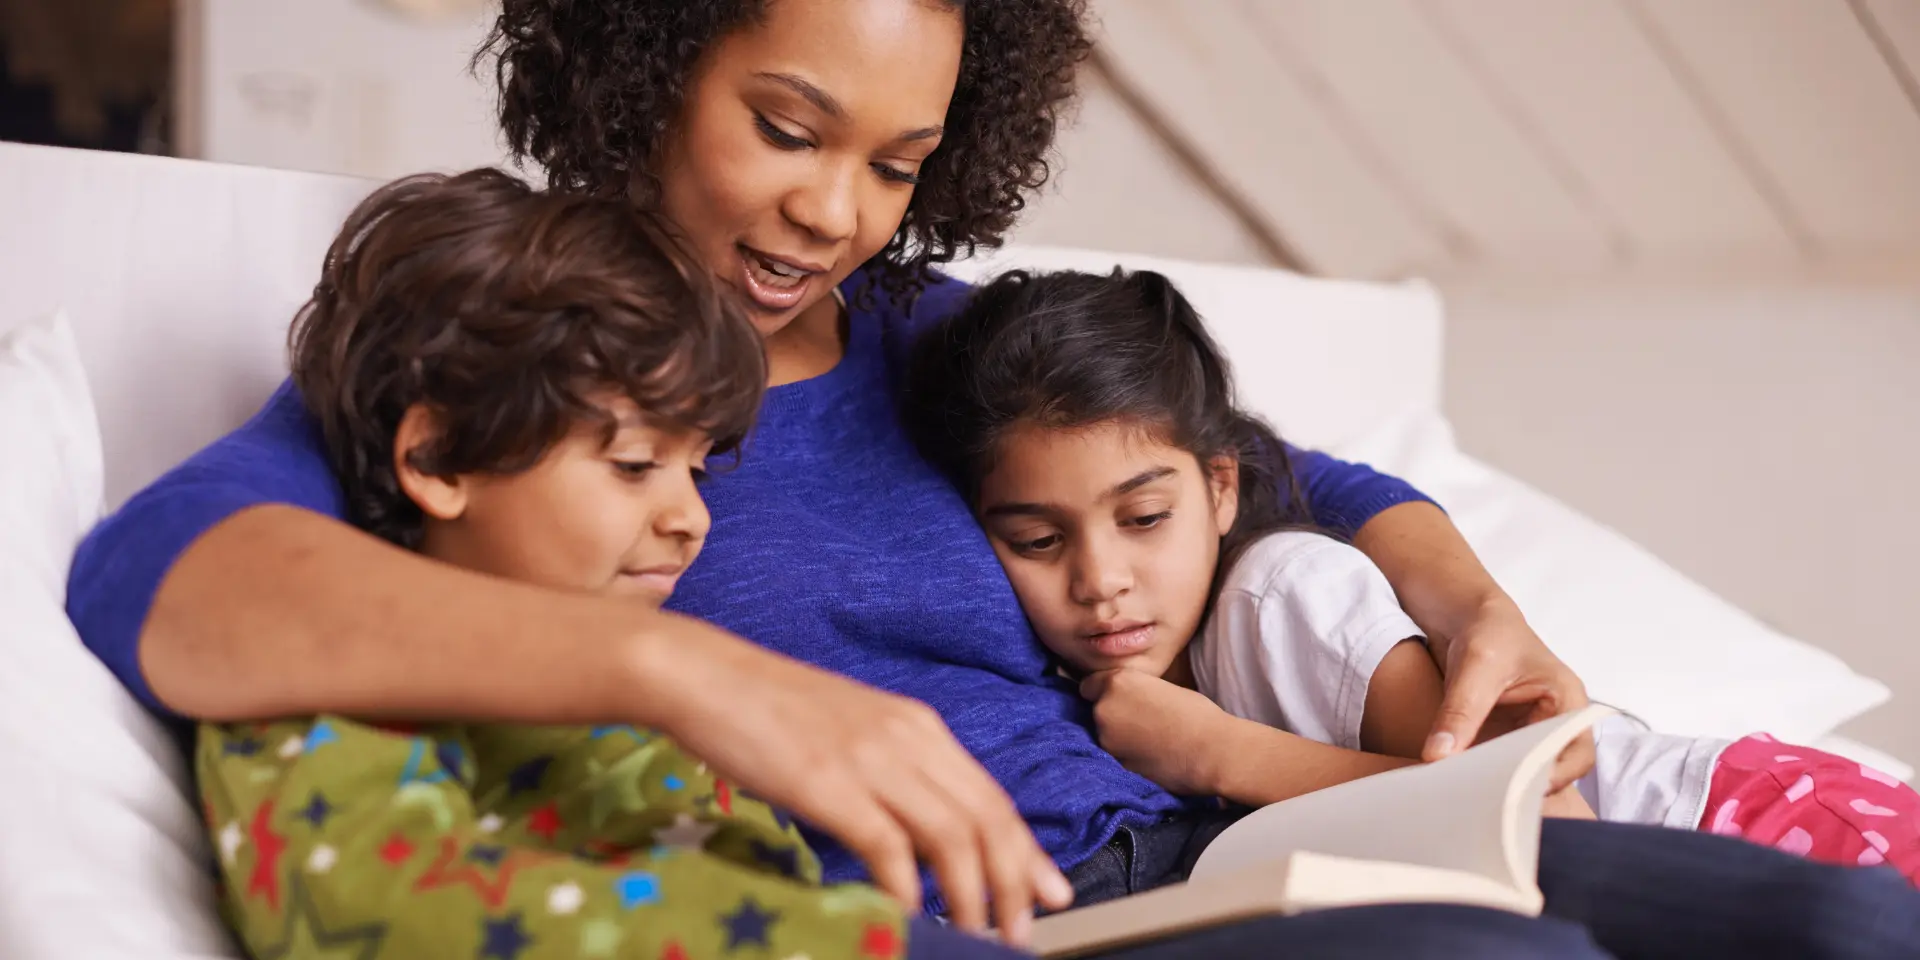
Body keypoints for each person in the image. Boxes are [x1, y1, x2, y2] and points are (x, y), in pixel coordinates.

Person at [62, 1, 1901, 957]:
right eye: (786, 131)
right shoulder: (513, 356)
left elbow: (1296, 472)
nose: (834, 214)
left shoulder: (925, 338)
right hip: (993, 924)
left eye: (894, 164)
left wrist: (1465, 599)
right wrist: (686, 670)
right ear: (638, 65)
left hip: (1210, 840)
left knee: (1837, 920)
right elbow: (157, 582)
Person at [898, 265, 1920, 888]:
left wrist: (1223, 757)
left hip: (1762, 832)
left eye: (1144, 518)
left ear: (1219, 488)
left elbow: (1535, 820)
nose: (1102, 580)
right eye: (1036, 541)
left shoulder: (1277, 601)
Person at [197, 168, 941, 960]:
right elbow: (382, 909)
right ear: (441, 457)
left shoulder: (644, 700)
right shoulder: (324, 678)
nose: (691, 519)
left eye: (696, 469)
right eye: (632, 464)